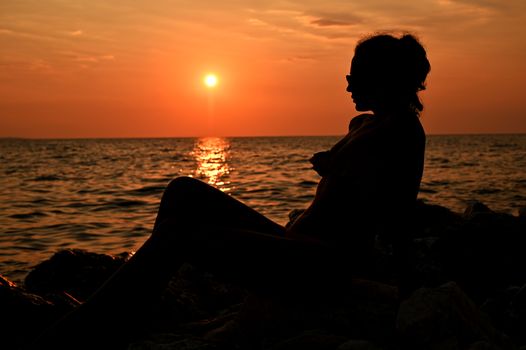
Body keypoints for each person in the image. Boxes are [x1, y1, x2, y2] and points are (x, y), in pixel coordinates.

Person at [28, 32, 430, 349]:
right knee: (184, 191)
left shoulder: (403, 131)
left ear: (382, 77)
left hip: (327, 267)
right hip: (298, 246)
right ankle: (130, 306)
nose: (347, 88)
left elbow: (393, 215)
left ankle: (95, 329)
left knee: (179, 235)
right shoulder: (362, 126)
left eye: (354, 77)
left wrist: (402, 286)